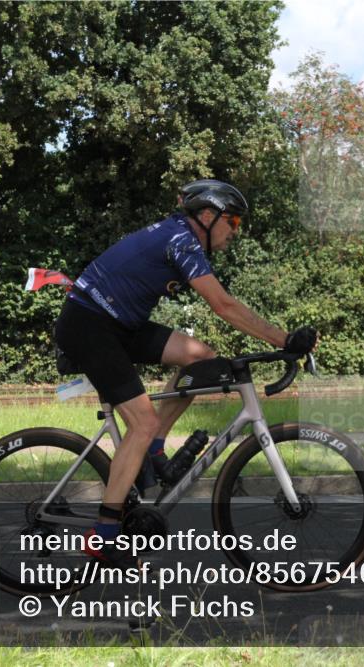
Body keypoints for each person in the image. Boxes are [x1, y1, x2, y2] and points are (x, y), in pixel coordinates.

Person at [54, 179, 318, 567]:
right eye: (233, 221)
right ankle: (104, 534)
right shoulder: (180, 240)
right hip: (90, 325)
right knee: (141, 423)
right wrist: (285, 340)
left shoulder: (180, 235)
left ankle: (154, 450)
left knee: (200, 357)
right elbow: (223, 306)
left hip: (117, 323)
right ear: (207, 216)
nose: (235, 232)